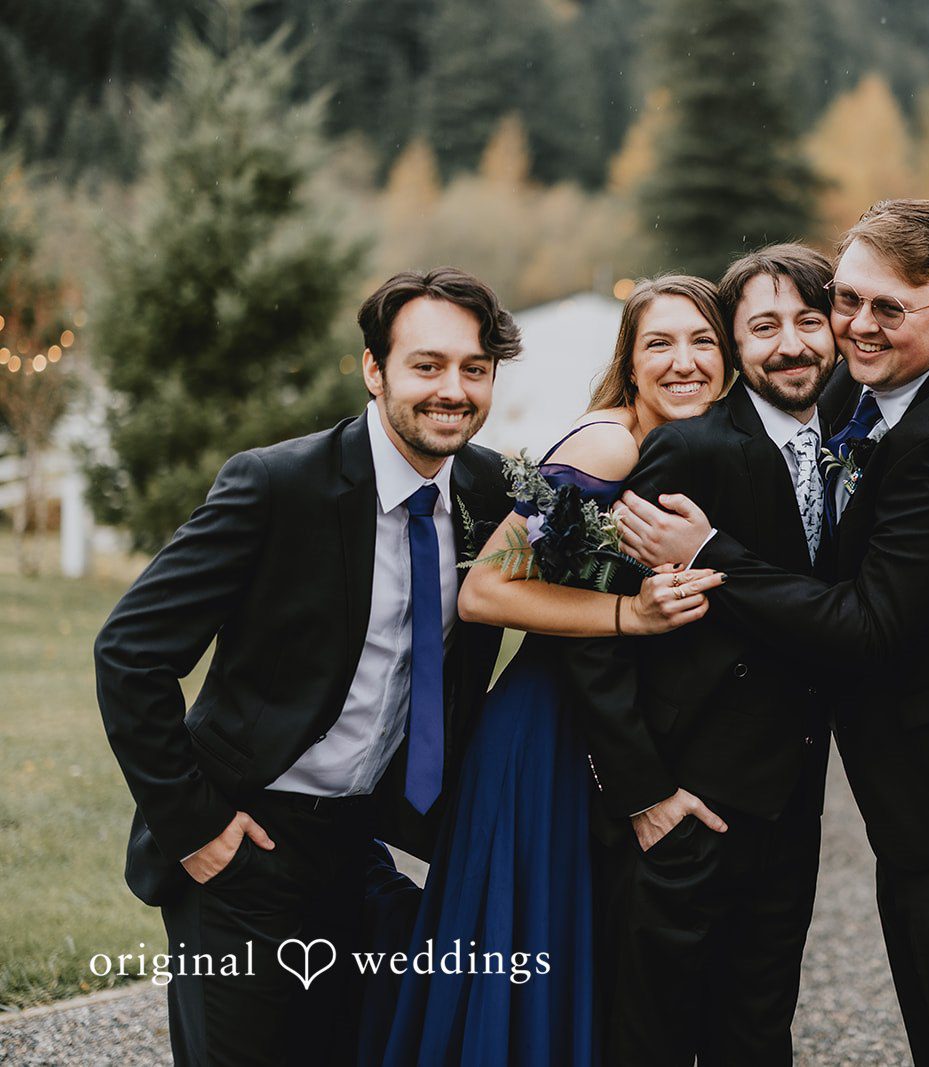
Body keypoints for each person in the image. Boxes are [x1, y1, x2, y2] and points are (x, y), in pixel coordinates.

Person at [617, 200, 929, 1065]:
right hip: (915, 805)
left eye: (887, 309)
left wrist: (710, 552)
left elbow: (870, 622)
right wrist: (615, 430)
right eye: (849, 299)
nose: (855, 327)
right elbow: (738, 398)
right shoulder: (855, 385)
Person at [95, 268, 522, 1066]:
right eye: (426, 365)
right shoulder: (276, 485)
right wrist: (197, 829)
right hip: (246, 839)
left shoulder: (491, 492)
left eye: (474, 368)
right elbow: (129, 653)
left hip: (365, 844)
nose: (452, 389)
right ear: (374, 369)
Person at [376, 274, 731, 1067]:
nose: (684, 361)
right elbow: (485, 589)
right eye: (659, 344)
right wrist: (626, 614)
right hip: (544, 732)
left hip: (600, 732)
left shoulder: (693, 447)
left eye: (703, 341)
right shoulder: (610, 444)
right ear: (629, 362)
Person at [572, 244, 837, 1065]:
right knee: (649, 1030)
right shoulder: (688, 449)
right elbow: (594, 631)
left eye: (809, 320)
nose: (789, 342)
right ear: (741, 342)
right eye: (764, 324)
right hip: (682, 799)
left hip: (789, 798)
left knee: (759, 1025)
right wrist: (644, 793)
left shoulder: (849, 440)